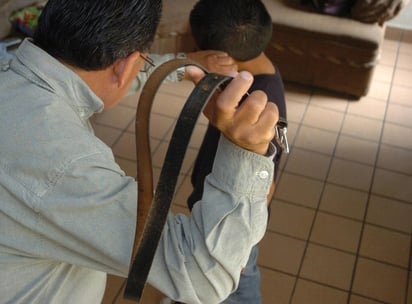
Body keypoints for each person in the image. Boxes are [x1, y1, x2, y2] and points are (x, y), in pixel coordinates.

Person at [0, 1, 279, 304]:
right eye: (141, 62)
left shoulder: (12, 72)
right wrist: (247, 153)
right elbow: (203, 278)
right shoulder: (63, 167)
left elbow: (107, 76)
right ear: (125, 65)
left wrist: (181, 63)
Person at [179, 0, 288, 303]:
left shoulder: (258, 105)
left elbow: (267, 181)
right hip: (218, 200)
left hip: (233, 221)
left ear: (219, 57)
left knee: (238, 279)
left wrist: (241, 242)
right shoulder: (258, 74)